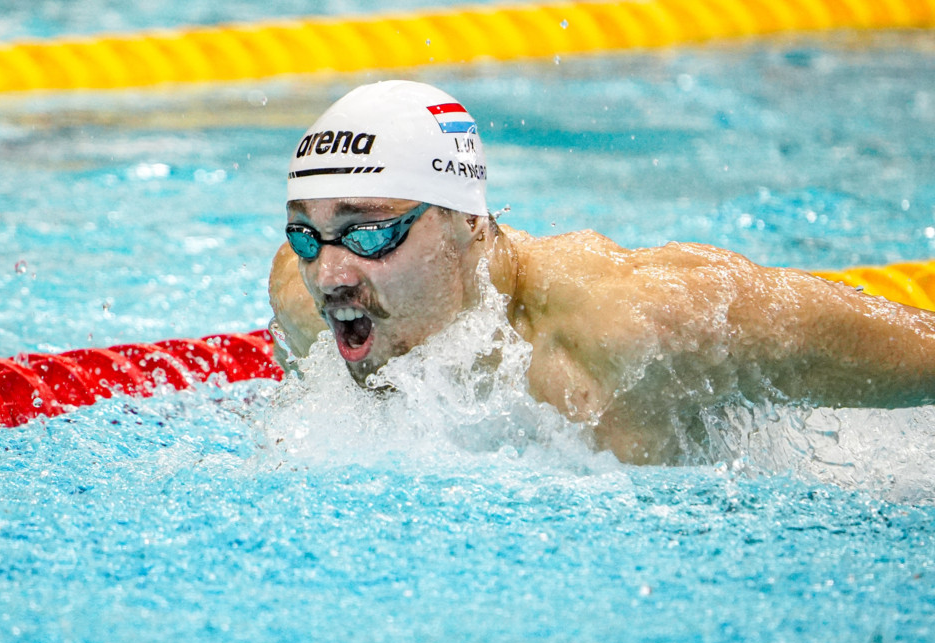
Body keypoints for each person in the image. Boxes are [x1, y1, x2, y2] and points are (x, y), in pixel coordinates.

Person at [268, 80, 935, 464]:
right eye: (306, 235)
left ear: (468, 220)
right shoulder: (302, 300)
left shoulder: (635, 326)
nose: (330, 275)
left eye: (370, 233)